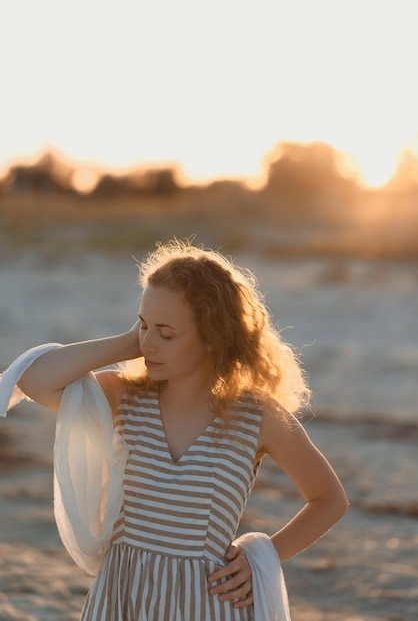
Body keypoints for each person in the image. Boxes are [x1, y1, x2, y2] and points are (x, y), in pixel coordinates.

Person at [3, 238, 348, 620]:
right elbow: (34, 381)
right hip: (121, 599)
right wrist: (125, 344)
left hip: (208, 604)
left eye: (166, 333)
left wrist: (263, 557)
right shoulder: (122, 398)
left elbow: (329, 499)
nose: (149, 343)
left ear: (211, 337)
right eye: (143, 325)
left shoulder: (257, 417)